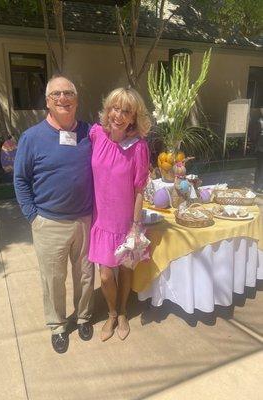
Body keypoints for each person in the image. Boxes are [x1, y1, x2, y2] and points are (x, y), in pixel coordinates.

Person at [14, 75, 94, 354]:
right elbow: (20, 180)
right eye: (56, 94)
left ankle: (83, 317)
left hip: (85, 220)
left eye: (69, 93)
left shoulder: (90, 133)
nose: (63, 98)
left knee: (85, 275)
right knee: (53, 279)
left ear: (76, 98)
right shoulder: (32, 138)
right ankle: (58, 325)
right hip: (48, 222)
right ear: (48, 101)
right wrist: (32, 216)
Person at [88, 88, 151, 341]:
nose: (119, 115)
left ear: (134, 117)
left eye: (126, 111)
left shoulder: (139, 148)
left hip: (126, 223)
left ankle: (123, 311)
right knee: (105, 276)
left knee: (125, 270)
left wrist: (135, 227)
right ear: (108, 109)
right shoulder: (96, 135)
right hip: (102, 221)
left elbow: (139, 190)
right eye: (115, 108)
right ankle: (111, 313)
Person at [253, 108, 263, 194]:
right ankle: (257, 186)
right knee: (260, 168)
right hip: (260, 149)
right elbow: (255, 136)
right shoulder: (259, 122)